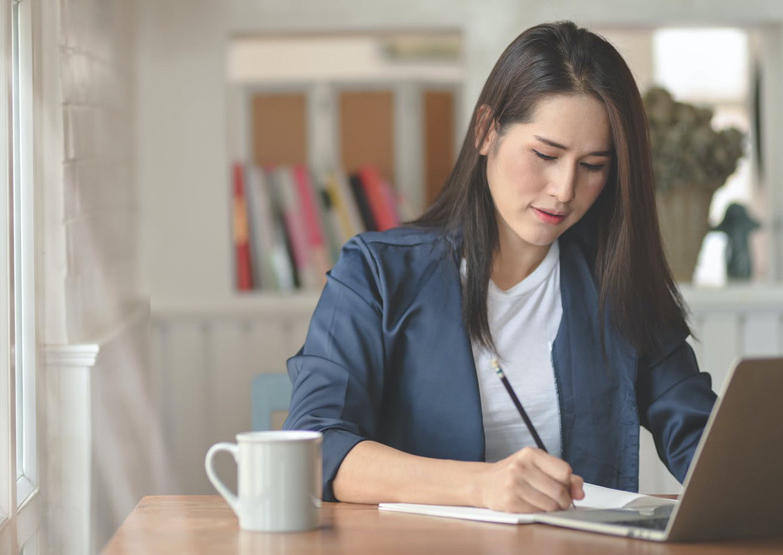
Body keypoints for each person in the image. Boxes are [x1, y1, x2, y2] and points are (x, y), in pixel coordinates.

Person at [283, 20, 717, 513]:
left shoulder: (617, 285)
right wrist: (481, 486)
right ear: (487, 130)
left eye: (593, 165)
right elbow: (314, 446)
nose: (564, 189)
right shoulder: (376, 276)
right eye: (545, 154)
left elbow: (704, 441)